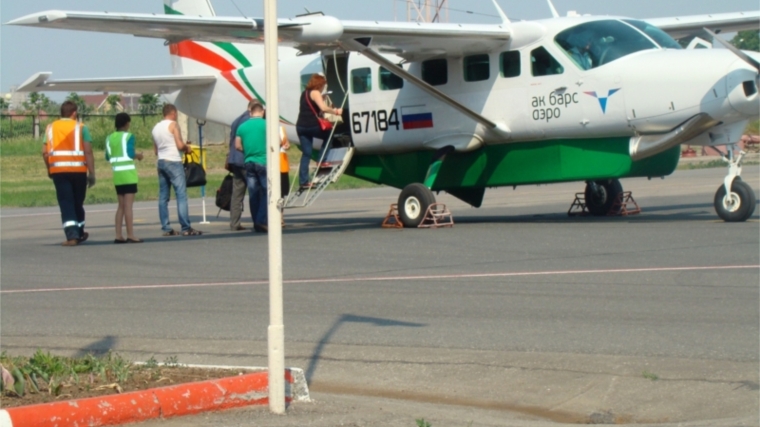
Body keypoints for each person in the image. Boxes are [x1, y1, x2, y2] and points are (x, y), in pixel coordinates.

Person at [43, 101, 96, 246]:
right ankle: (78, 232)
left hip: (59, 171)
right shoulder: (81, 127)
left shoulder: (50, 128)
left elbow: (45, 152)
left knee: (66, 203)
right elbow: (88, 151)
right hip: (78, 171)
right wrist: (92, 173)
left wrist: (49, 169)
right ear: (74, 113)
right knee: (78, 202)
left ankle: (73, 235)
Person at [152, 104, 202, 236]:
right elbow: (180, 145)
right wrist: (187, 148)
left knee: (163, 196)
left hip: (161, 161)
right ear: (173, 113)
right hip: (173, 161)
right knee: (181, 194)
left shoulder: (155, 128)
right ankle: (186, 227)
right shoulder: (173, 125)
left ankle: (166, 227)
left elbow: (156, 150)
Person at [295, 74, 343, 188]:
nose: (323, 88)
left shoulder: (304, 93)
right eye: (323, 85)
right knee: (329, 134)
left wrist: (322, 99)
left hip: (301, 127)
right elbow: (323, 108)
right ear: (319, 84)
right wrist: (336, 111)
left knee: (306, 154)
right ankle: (322, 159)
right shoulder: (315, 93)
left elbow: (311, 109)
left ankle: (303, 182)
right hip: (311, 125)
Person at [106, 112, 144, 243]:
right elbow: (130, 154)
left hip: (117, 175)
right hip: (128, 175)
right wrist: (139, 155)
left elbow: (107, 156)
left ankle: (118, 234)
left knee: (120, 206)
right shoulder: (129, 136)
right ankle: (130, 234)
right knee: (128, 206)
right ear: (127, 123)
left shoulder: (109, 138)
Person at [234, 100, 268, 233]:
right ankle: (261, 220)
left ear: (251, 112)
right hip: (263, 161)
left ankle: (256, 222)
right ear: (262, 112)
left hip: (248, 162)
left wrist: (248, 150)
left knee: (253, 193)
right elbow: (276, 141)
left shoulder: (242, 127)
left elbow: (237, 145)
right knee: (266, 192)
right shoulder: (267, 124)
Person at [225, 101, 257, 231]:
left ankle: (234, 223)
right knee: (255, 191)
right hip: (245, 158)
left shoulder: (236, 120)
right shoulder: (250, 121)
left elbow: (232, 139)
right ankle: (258, 221)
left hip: (234, 159)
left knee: (237, 194)